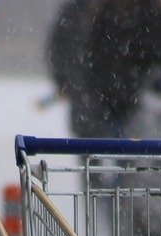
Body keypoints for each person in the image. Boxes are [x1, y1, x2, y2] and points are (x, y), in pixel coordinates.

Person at [84, 0, 161, 138]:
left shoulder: (153, 14)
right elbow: (93, 54)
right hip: (111, 101)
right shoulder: (105, 13)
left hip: (142, 100)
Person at [46, 0, 102, 137]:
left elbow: (55, 49)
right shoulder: (74, 12)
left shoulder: (72, 12)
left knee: (87, 142)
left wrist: (63, 81)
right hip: (87, 88)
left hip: (85, 88)